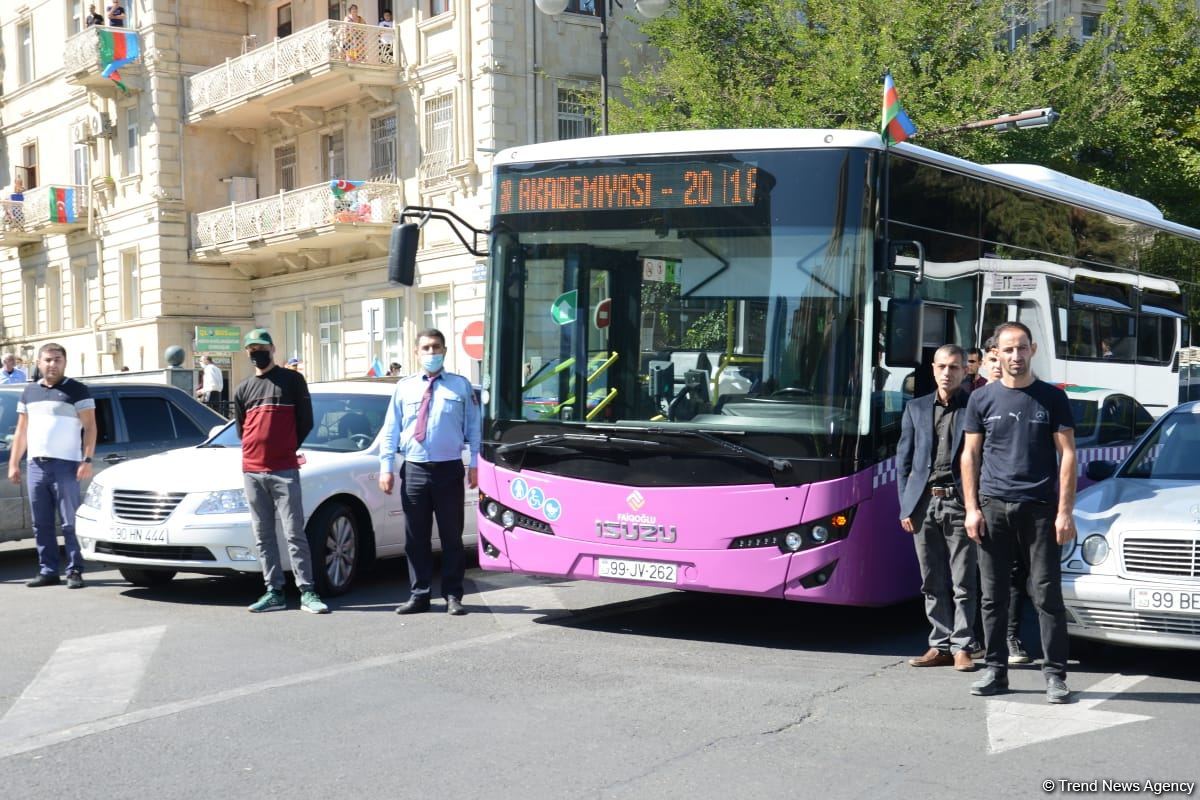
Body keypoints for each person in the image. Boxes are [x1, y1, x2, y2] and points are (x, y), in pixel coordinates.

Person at [962, 321, 1076, 704]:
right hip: (993, 508)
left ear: (1033, 350)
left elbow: (1068, 456)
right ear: (995, 353)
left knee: (1046, 595)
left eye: (1022, 348)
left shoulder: (1052, 398)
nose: (1015, 356)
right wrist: (972, 509)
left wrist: (1064, 512)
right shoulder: (982, 399)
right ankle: (996, 671)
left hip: (1041, 511)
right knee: (993, 597)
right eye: (1007, 350)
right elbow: (970, 456)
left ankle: (1056, 675)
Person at [379, 329, 480, 616]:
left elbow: (474, 427)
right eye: (426, 348)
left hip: (448, 468)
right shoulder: (404, 387)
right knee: (416, 537)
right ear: (416, 352)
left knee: (451, 536)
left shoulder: (460, 386)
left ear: (445, 351)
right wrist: (386, 468)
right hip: (414, 469)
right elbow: (390, 430)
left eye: (436, 347)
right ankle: (419, 594)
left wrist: (475, 464)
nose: (431, 353)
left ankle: (453, 595)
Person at [233, 329, 329, 614]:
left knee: (293, 532)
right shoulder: (243, 388)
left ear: (272, 348)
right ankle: (273, 590)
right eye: (251, 349)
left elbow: (305, 422)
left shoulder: (292, 380)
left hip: (284, 469)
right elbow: (242, 429)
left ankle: (307, 591)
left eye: (260, 347)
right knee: (262, 534)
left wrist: (284, 448)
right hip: (252, 470)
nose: (255, 353)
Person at [897, 344, 977, 672]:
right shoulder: (915, 408)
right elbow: (903, 462)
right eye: (942, 366)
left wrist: (977, 505)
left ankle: (962, 646)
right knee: (931, 579)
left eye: (955, 367)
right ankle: (939, 644)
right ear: (933, 369)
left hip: (959, 502)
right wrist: (905, 506)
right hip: (923, 503)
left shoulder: (975, 406)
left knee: (963, 580)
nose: (947, 373)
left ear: (965, 371)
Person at [7, 343, 96, 589]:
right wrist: (14, 463)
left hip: (66, 466)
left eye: (57, 360)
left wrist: (86, 459)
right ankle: (48, 570)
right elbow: (22, 430)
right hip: (36, 465)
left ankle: (75, 570)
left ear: (64, 362)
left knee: (69, 522)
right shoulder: (29, 392)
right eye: (47, 360)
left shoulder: (77, 390)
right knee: (41, 522)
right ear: (38, 363)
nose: (52, 364)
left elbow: (90, 427)